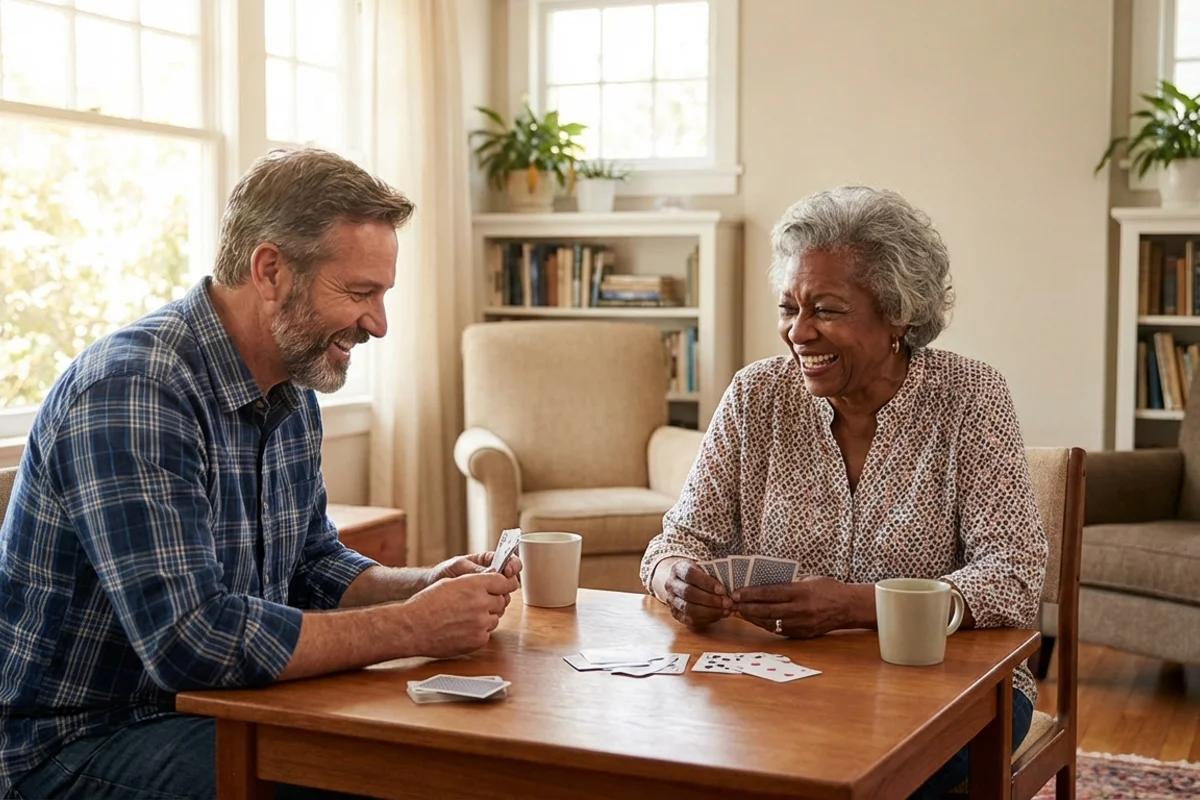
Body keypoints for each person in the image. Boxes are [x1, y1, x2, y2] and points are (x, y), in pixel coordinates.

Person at [0, 148, 521, 800]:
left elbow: (312, 563)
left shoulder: (290, 387)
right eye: (359, 293)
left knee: (442, 754)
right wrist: (414, 626)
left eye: (382, 295)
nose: (379, 324)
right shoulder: (134, 389)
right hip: (77, 742)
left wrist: (422, 585)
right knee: (384, 778)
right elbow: (192, 641)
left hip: (216, 710)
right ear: (270, 270)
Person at [640, 185, 1047, 798]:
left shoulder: (970, 397)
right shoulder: (756, 396)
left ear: (897, 314)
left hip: (951, 689)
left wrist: (855, 606)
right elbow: (675, 541)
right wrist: (675, 578)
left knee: (858, 780)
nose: (798, 332)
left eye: (826, 309)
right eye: (788, 308)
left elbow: (1014, 576)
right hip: (784, 679)